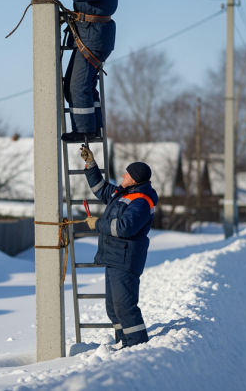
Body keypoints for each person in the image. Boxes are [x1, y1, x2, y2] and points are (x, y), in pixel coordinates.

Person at [80, 145, 156, 348]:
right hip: (114, 258)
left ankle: (137, 346)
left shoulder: (141, 201)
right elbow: (101, 189)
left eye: (127, 173)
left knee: (124, 307)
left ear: (135, 178)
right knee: (113, 309)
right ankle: (125, 344)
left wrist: (97, 224)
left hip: (125, 260)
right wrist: (91, 165)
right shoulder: (125, 194)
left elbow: (124, 228)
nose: (123, 174)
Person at [58, 0, 124, 142]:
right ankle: (94, 128)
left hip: (93, 39)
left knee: (78, 87)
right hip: (93, 37)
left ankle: (85, 130)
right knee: (79, 85)